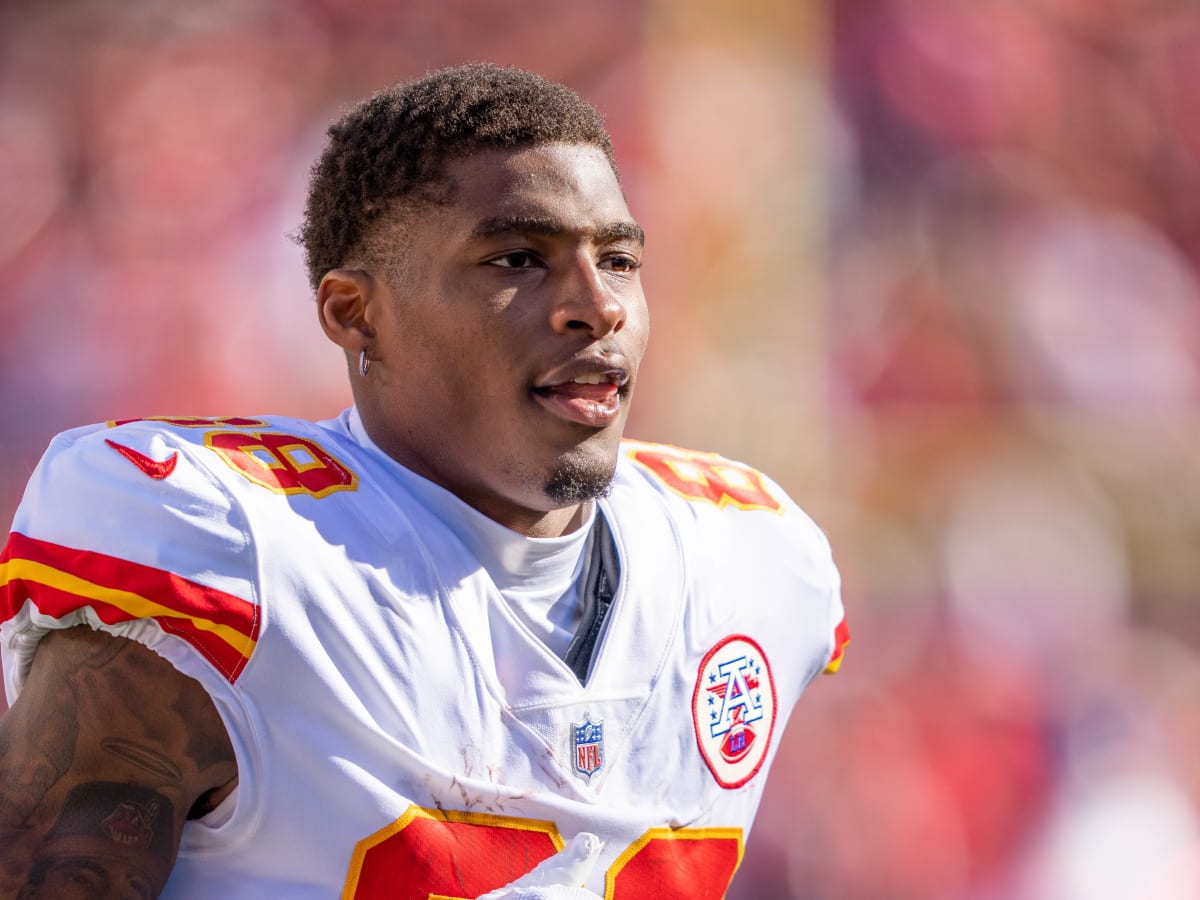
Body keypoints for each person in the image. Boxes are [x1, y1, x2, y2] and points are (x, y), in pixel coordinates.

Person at [0, 63, 848, 899]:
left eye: (620, 259)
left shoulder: (751, 556)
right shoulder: (233, 549)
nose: (597, 305)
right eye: (518, 259)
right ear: (354, 313)